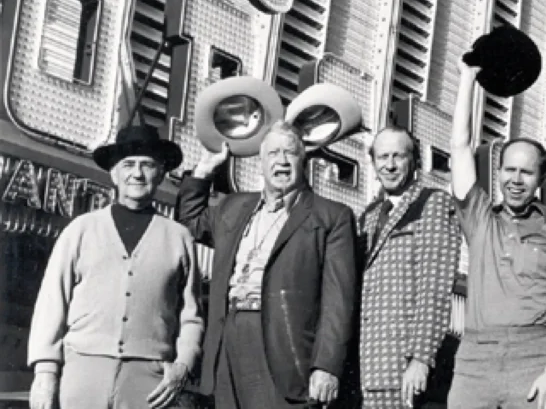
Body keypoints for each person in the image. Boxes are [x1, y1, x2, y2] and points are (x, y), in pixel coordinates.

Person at [177, 119, 358, 408]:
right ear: (261, 162)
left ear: (304, 160)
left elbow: (339, 299)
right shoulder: (233, 206)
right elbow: (190, 221)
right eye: (273, 153)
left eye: (290, 153)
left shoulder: (331, 217)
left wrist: (327, 365)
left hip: (283, 347)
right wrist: (204, 170)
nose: (282, 161)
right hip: (227, 339)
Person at [28, 124, 203, 409]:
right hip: (82, 369)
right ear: (114, 173)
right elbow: (52, 302)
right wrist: (45, 372)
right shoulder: (82, 229)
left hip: (150, 381)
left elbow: (191, 315)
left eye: (147, 165)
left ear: (160, 172)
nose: (137, 173)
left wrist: (182, 365)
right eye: (128, 165)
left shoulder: (178, 237)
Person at [447, 60, 546, 409]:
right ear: (498, 170)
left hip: (533, 356)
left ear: (541, 178)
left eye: (526, 172)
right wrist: (467, 78)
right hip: (475, 357)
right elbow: (460, 148)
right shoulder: (479, 217)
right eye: (509, 170)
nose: (516, 181)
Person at [357, 126, 461, 409]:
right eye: (382, 157)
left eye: (398, 156)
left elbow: (434, 289)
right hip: (367, 365)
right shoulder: (368, 215)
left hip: (404, 366)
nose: (389, 165)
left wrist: (421, 359)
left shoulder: (433, 202)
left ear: (414, 161)